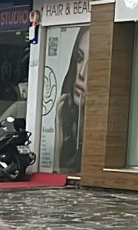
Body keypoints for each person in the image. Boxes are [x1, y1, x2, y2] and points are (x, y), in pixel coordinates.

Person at [52, 27, 89, 173]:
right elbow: (56, 174)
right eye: (80, 59)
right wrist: (59, 130)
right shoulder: (68, 124)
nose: (81, 73)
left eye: (93, 64)